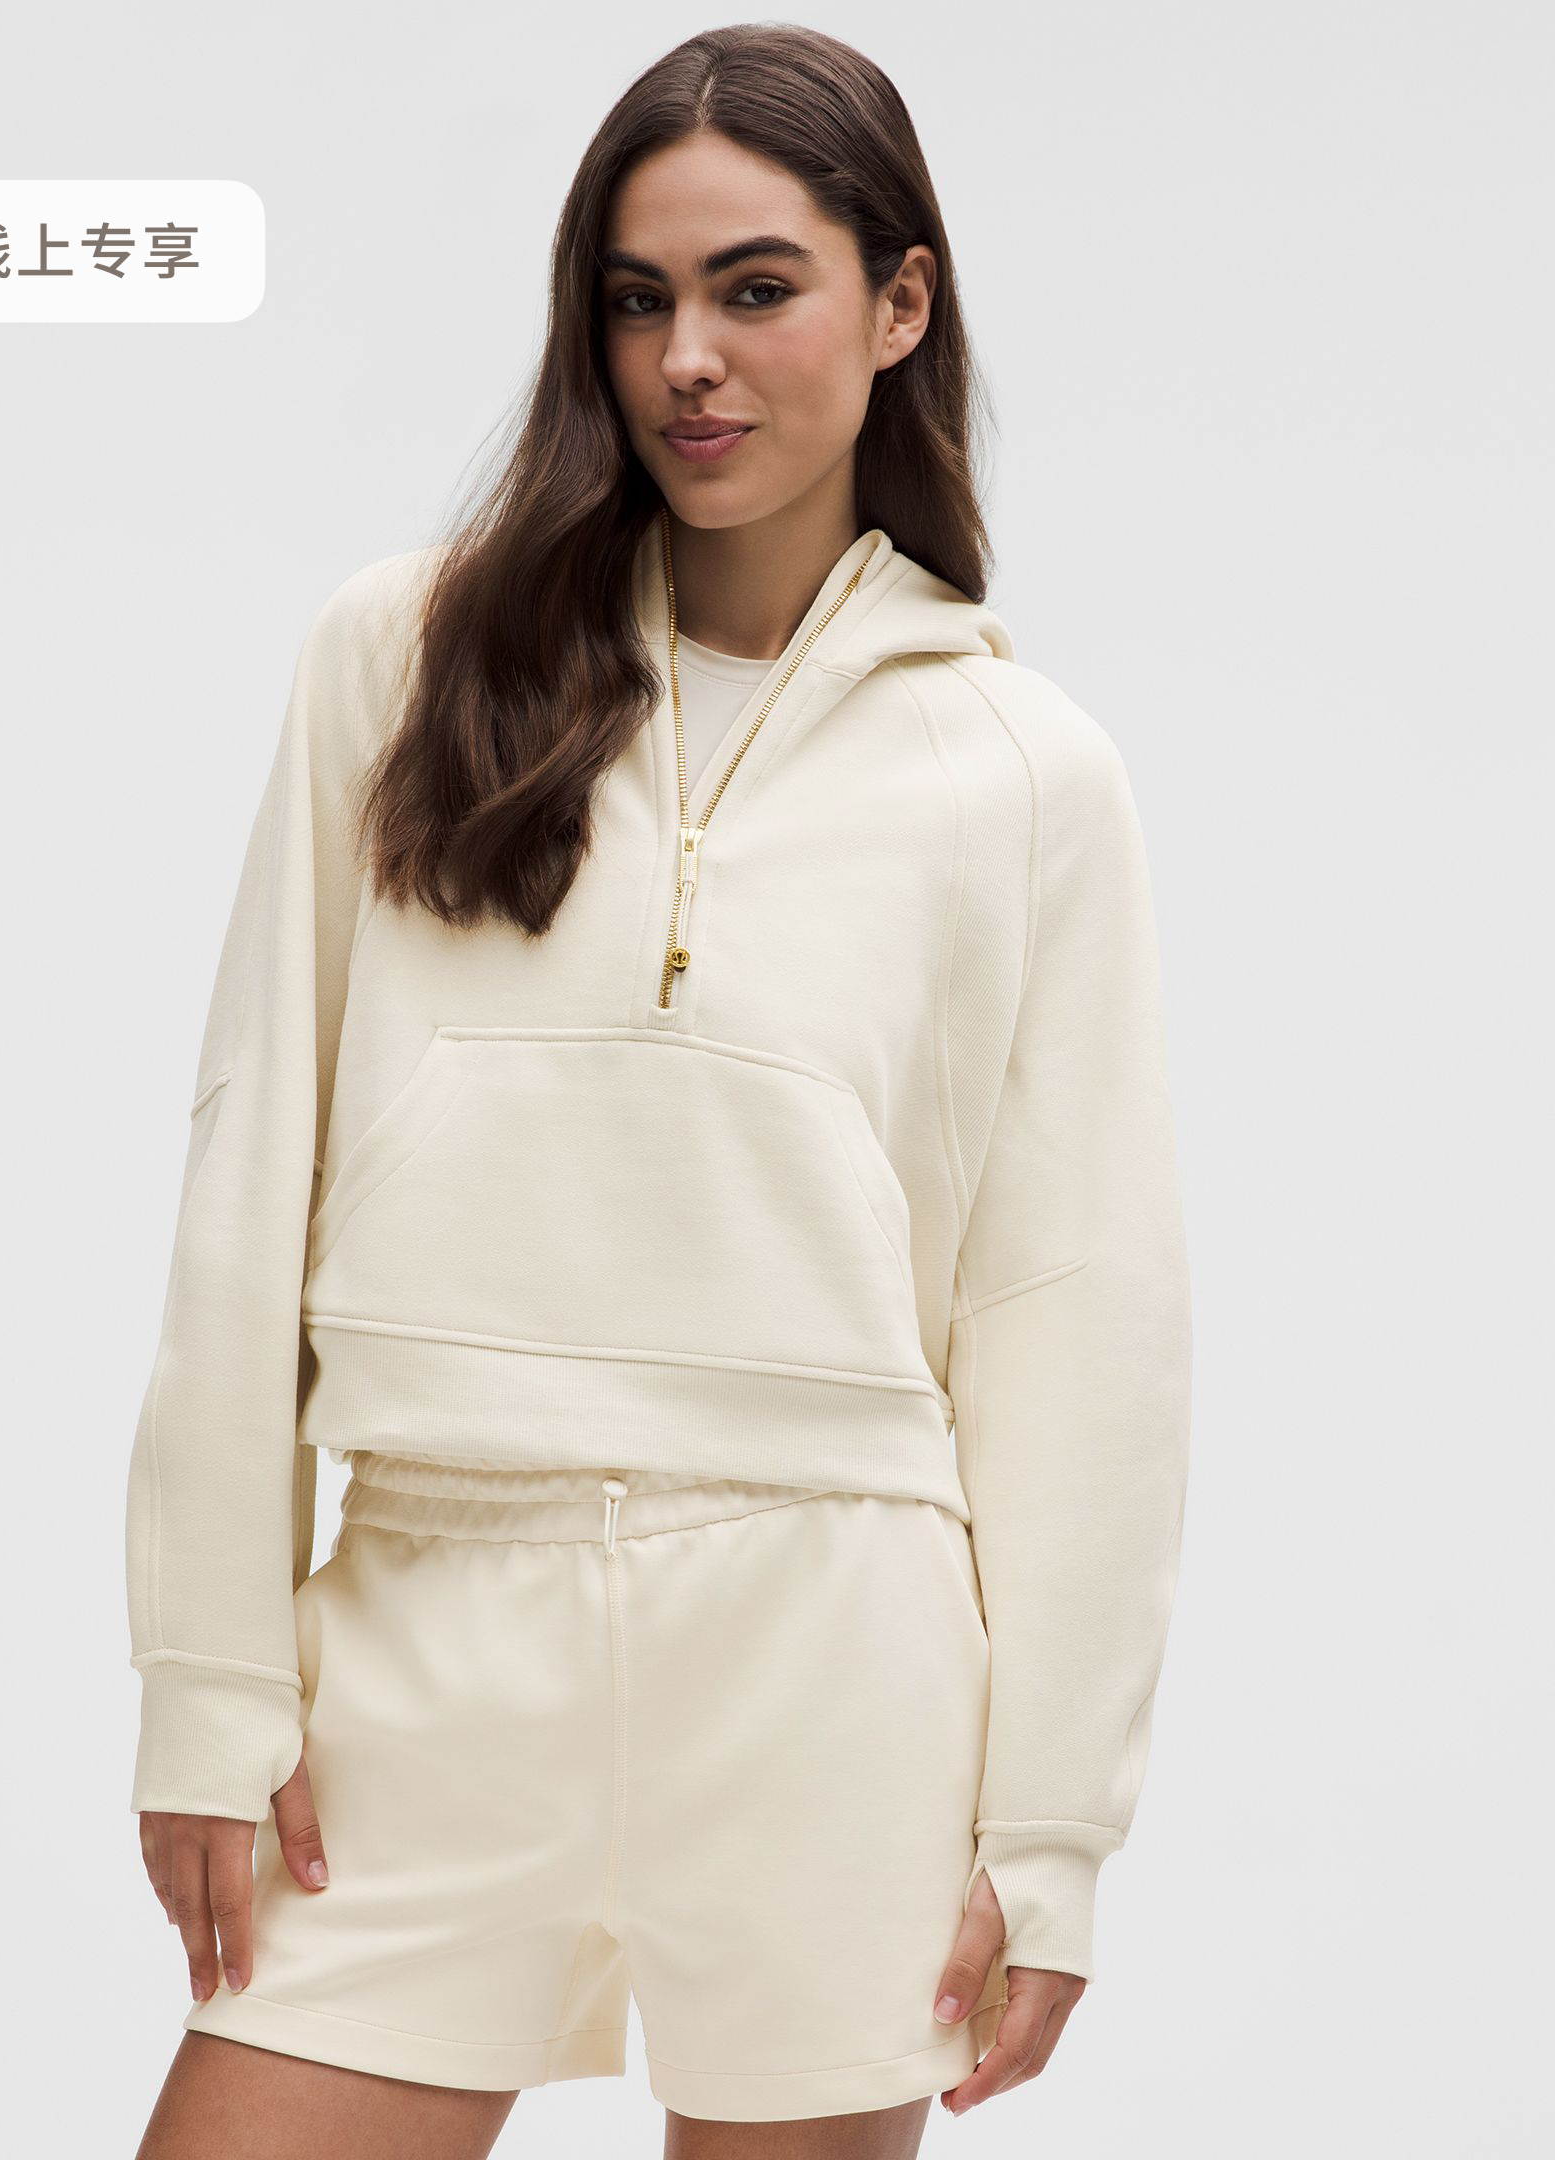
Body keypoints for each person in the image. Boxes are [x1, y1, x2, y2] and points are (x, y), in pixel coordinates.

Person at [126, 24, 1192, 2159]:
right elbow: (255, 1161)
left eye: (754, 288)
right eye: (638, 300)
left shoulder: (1023, 773)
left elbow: (1077, 1314)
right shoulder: (410, 658)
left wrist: (1050, 1826)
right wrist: (212, 1677)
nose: (687, 359)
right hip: (431, 1622)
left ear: (900, 304)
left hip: (832, 1662)